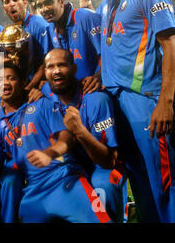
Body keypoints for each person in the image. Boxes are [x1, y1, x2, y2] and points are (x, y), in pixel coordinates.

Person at [88, 0, 175, 222]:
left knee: (164, 181)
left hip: (145, 101)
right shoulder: (105, 4)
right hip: (117, 104)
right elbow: (113, 47)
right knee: (139, 179)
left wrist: (166, 101)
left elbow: (170, 45)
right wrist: (99, 75)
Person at [0, 60, 111, 223]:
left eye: (11, 78)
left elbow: (68, 137)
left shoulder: (41, 103)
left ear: (23, 82)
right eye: (0, 80)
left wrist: (50, 153)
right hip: (33, 190)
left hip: (65, 178)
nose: (5, 83)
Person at [44, 48, 128, 222]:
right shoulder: (45, 93)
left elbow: (108, 160)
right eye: (50, 67)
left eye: (62, 65)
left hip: (102, 166)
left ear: (74, 69)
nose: (56, 71)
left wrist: (80, 131)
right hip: (71, 165)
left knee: (103, 186)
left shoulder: (96, 100)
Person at [33, 0, 101, 94]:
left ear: (61, 1)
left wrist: (98, 76)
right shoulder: (50, 29)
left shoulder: (86, 17)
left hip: (93, 89)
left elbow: (107, 53)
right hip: (71, 91)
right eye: (40, 6)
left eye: (48, 3)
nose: (44, 9)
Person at [1, 0, 53, 90]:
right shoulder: (9, 31)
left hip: (40, 85)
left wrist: (29, 87)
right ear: (4, 9)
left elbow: (48, 61)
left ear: (25, 3)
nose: (11, 4)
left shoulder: (39, 25)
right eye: (7, 2)